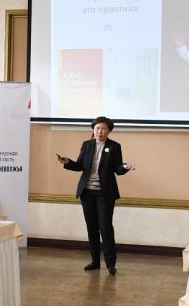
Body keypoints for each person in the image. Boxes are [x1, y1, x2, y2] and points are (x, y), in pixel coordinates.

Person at [56, 116, 135, 274]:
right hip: (87, 193)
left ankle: (110, 264)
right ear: (93, 129)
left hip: (105, 194)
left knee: (105, 227)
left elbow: (117, 169)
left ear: (109, 131)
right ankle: (95, 262)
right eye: (98, 128)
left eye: (104, 129)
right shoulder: (87, 145)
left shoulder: (114, 146)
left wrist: (125, 167)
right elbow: (80, 165)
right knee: (91, 227)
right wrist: (67, 162)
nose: (100, 131)